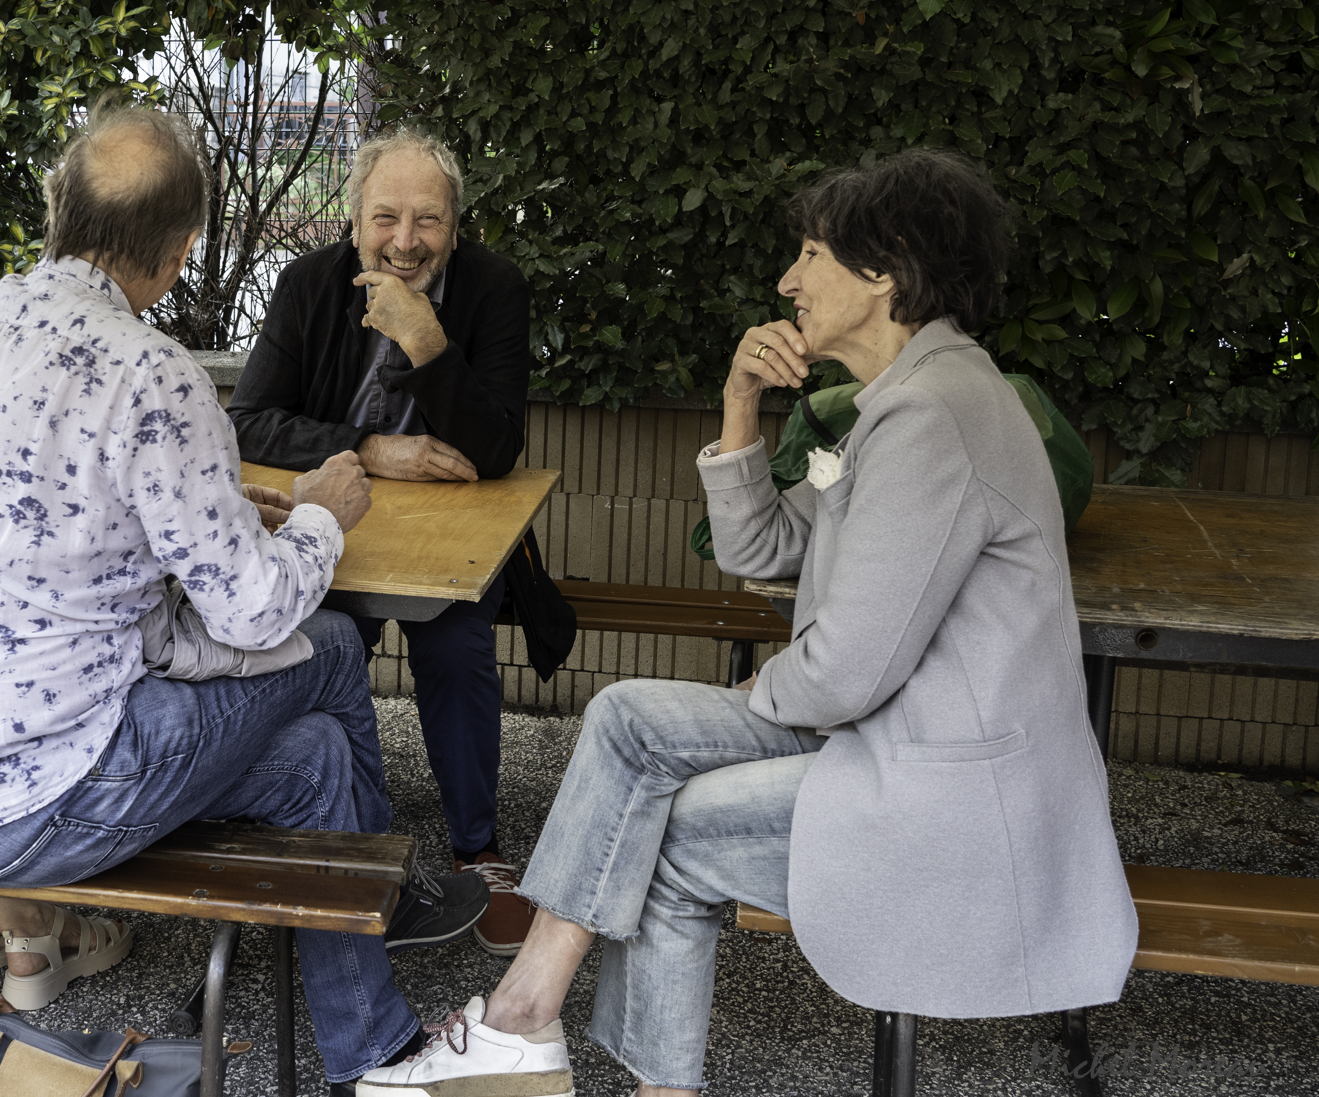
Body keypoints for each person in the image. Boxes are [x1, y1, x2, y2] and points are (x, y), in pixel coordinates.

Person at [356, 148, 1138, 1097]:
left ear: (883, 268)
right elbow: (763, 548)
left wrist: (763, 688)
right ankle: (524, 1022)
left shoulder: (937, 417)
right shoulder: (906, 400)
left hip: (952, 797)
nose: (787, 280)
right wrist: (739, 407)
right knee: (625, 717)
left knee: (675, 835)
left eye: (810, 253)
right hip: (892, 739)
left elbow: (849, 671)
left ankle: (544, 1036)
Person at [0, 100, 486, 1089]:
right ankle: (383, 908)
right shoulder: (152, 369)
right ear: (185, 247)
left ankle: (374, 1042)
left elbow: (64, 493)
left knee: (317, 756)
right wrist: (323, 511)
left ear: (57, 206)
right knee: (323, 647)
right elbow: (252, 614)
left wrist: (208, 499)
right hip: (37, 795)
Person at [228, 127, 536, 954]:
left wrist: (426, 339)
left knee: (456, 647)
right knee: (326, 643)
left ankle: (478, 846)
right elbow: (249, 420)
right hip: (345, 524)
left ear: (456, 226)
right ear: (354, 220)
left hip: (454, 536)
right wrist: (369, 449)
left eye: (427, 221)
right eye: (386, 218)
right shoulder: (308, 284)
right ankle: (342, 844)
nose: (405, 242)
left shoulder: (495, 288)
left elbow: (499, 446)